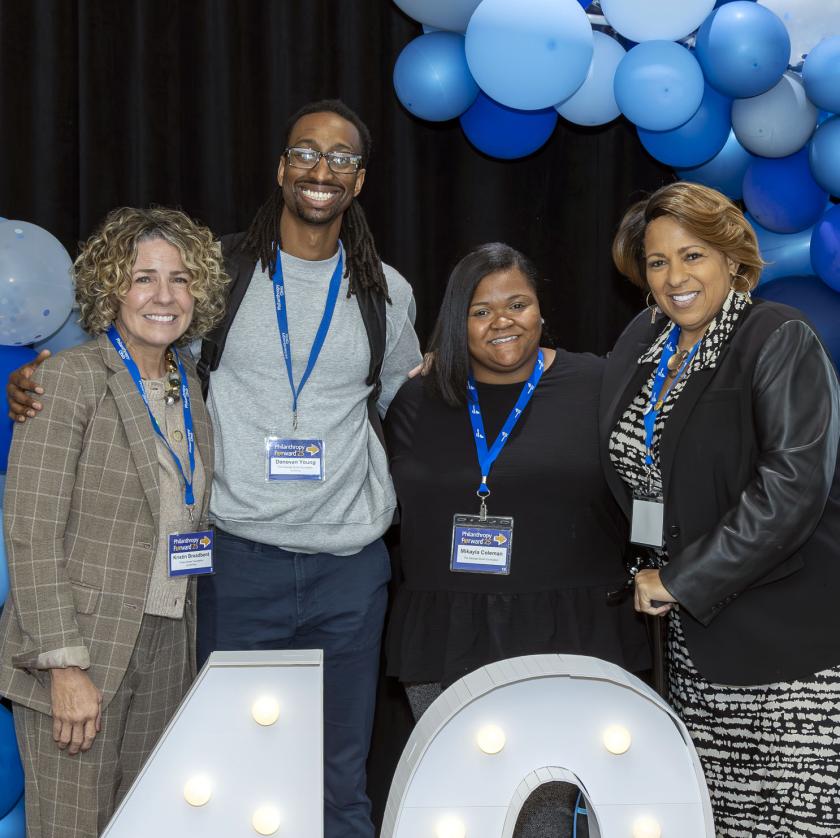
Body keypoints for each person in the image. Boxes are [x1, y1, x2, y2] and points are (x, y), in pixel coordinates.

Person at [8, 99, 422, 838]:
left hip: (350, 568)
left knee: (340, 777)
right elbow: (140, 359)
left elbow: (405, 404)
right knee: (218, 767)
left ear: (359, 182)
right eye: (305, 152)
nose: (321, 170)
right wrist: (39, 376)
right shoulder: (221, 276)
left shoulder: (388, 292)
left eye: (342, 158)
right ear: (280, 168)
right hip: (233, 563)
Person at [384, 243, 649, 837]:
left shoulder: (600, 384)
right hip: (446, 636)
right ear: (457, 321)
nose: (502, 321)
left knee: (553, 815)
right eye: (480, 310)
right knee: (464, 807)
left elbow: (652, 483)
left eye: (518, 303)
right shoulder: (418, 399)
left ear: (541, 310)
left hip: (574, 631)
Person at [602, 181, 840, 836]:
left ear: (734, 260)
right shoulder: (644, 344)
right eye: (657, 261)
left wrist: (680, 580)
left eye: (693, 255)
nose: (674, 277)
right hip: (694, 656)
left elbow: (792, 487)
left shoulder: (778, 337)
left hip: (787, 654)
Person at [0, 206, 227, 838]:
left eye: (179, 279)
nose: (164, 296)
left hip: (165, 643)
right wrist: (65, 667)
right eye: (143, 278)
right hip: (82, 649)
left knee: (145, 826)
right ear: (111, 289)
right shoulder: (67, 379)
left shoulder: (190, 383)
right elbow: (30, 530)